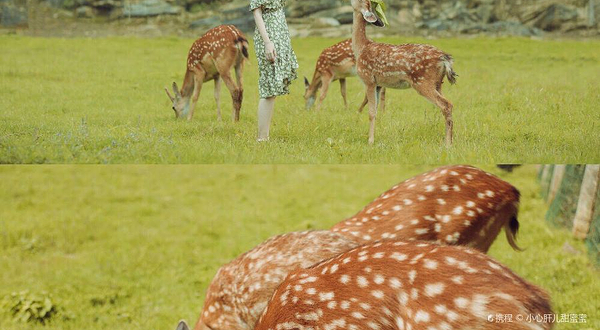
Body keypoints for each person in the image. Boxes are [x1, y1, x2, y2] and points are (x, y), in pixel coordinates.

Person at [250, 0, 299, 141]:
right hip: (269, 34)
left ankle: (265, 136)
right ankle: (262, 138)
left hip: (280, 32)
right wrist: (267, 42)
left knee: (273, 89)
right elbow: (256, 12)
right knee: (268, 88)